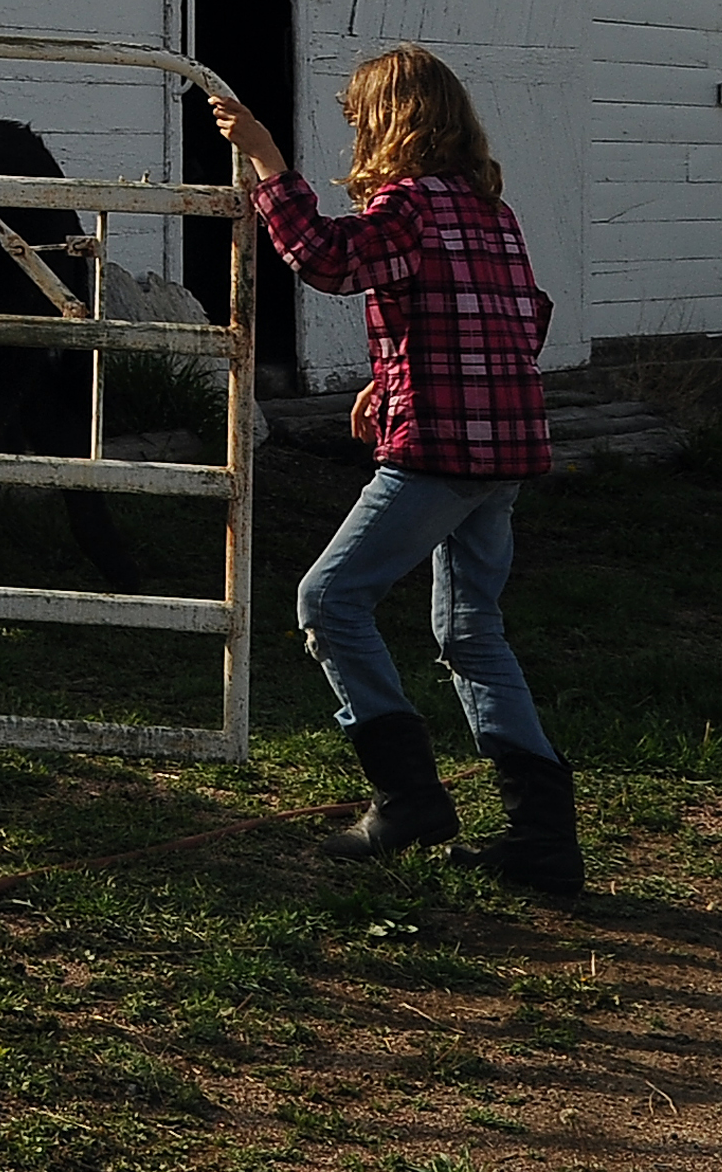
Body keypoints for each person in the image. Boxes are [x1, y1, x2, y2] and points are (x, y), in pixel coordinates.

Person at [211, 46, 580, 897]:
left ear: (390, 123)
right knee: (472, 632)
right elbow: (522, 316)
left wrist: (266, 159)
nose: (355, 135)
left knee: (330, 600)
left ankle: (408, 797)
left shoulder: (408, 205)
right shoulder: (491, 210)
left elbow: (326, 259)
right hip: (507, 446)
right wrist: (393, 375)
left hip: (440, 450)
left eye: (360, 120)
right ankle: (542, 837)